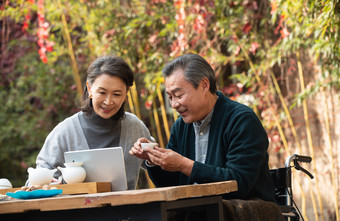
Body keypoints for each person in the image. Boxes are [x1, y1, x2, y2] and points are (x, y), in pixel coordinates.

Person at [129, 53, 277, 203]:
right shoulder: (180, 126)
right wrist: (154, 161)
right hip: (197, 210)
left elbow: (239, 183)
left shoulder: (241, 120)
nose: (174, 104)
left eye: (179, 95)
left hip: (245, 209)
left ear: (204, 85)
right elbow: (171, 185)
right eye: (170, 97)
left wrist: (183, 164)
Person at [35, 55, 152, 191]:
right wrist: (55, 184)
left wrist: (151, 158)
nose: (108, 102)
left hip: (127, 210)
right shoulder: (65, 131)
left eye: (117, 94)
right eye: (102, 92)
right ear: (90, 89)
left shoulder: (135, 127)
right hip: (77, 211)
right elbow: (37, 180)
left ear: (126, 94)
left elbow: (159, 170)